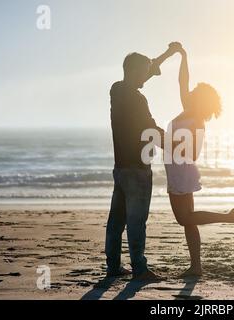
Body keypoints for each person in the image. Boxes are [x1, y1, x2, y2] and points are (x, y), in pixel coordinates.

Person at [164, 43, 234, 277]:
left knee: (184, 219)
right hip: (177, 172)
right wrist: (182, 56)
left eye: (195, 92)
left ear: (199, 100)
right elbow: (182, 82)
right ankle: (196, 266)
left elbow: (192, 154)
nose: (190, 91)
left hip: (182, 173)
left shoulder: (196, 122)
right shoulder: (187, 112)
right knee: (188, 221)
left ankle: (229, 217)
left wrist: (164, 143)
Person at [105, 43, 180, 281]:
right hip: (138, 169)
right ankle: (139, 269)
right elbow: (150, 130)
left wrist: (167, 55)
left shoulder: (116, 90)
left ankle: (114, 266)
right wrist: (176, 145)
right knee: (137, 221)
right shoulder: (138, 100)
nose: (146, 79)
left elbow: (144, 71)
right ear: (136, 72)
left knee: (116, 221)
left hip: (121, 168)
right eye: (144, 74)